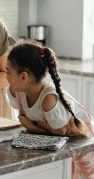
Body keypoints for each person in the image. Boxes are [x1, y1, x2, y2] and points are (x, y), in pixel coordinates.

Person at [6, 40, 94, 178]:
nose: (6, 77)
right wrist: (42, 126)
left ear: (23, 76)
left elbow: (60, 133)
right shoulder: (17, 92)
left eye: (8, 72)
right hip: (57, 141)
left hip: (80, 141)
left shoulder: (49, 100)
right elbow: (52, 131)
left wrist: (33, 127)